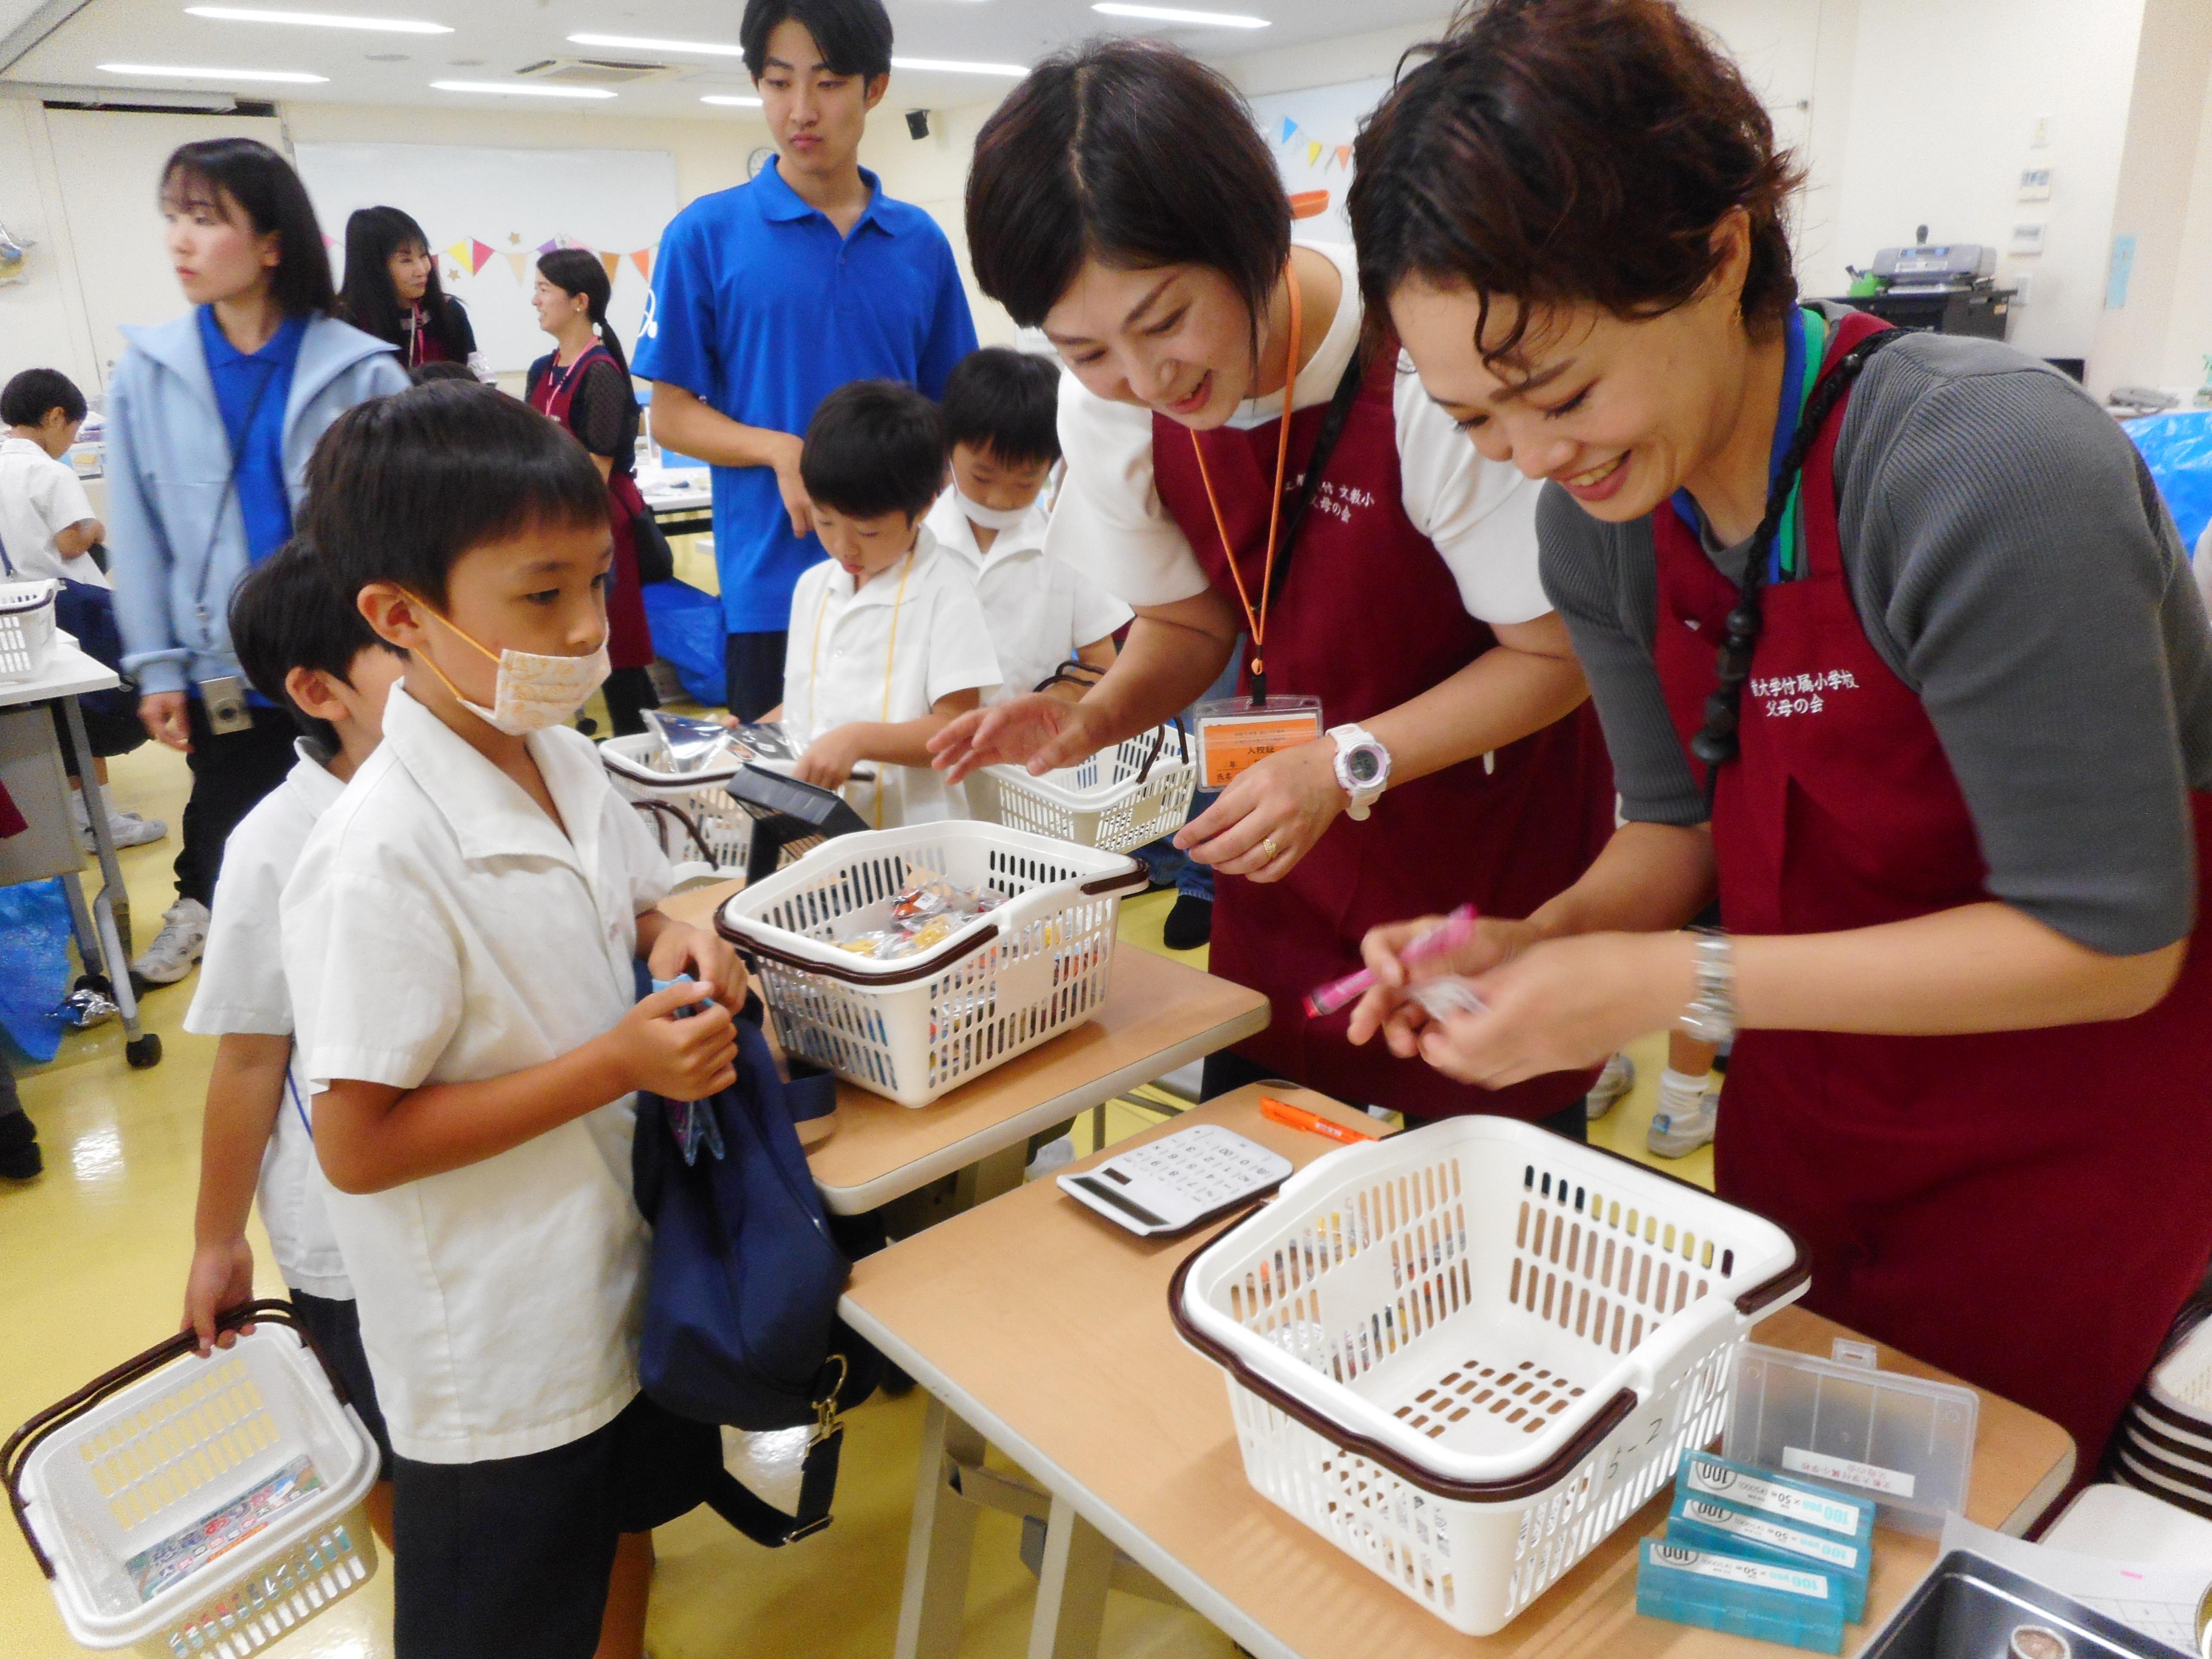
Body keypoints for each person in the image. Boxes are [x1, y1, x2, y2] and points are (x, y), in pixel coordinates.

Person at [1343, 0, 2212, 1473]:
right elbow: (1673, 831)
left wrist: (1670, 976)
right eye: (1477, 422)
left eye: (1556, 393)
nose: (1537, 458)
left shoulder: (1981, 470)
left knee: (2000, 1525)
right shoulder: (1604, 530)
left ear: (1719, 249)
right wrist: (1542, 941)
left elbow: (2112, 942)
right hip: (1807, 1130)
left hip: (2064, 1152)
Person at [933, 39, 1616, 1130]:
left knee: (1472, 1214)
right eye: (1087, 349)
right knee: (1268, 1201)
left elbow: (1559, 656)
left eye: (1166, 320)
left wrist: (1344, 761)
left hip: (1471, 871)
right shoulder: (1108, 408)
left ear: (1250, 237)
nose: (1148, 380)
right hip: (1278, 869)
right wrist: (1091, 715)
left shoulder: (1422, 368)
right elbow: (1190, 626)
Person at [284, 381, 739, 1659]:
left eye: (599, 581)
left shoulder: (565, 753)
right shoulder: (376, 855)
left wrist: (679, 935)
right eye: (542, 597)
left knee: (617, 1541)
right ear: (399, 616)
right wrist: (615, 1061)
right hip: (495, 1352)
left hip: (613, 1273)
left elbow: (639, 909)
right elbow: (358, 1143)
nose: (589, 628)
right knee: (511, 1604)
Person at [107, 138, 407, 986]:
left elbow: (405, 533)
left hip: (356, 672)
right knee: (259, 873)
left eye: (204, 219)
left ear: (272, 242)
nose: (180, 241)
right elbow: (136, 532)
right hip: (223, 674)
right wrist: (157, 668)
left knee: (373, 863)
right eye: (173, 218)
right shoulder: (147, 373)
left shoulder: (361, 371)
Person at [635, 0, 978, 721]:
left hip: (912, 580)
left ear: (873, 87)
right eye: (778, 82)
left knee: (911, 796)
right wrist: (779, 451)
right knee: (789, 811)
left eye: (826, 83)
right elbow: (670, 417)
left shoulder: (919, 243)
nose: (800, 110)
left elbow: (954, 413)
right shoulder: (704, 235)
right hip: (770, 584)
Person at [179, 539, 407, 1547]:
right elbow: (248, 1056)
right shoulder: (277, 843)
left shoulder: (487, 777)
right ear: (321, 691)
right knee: (394, 1455)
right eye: (405, 645)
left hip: (496, 1196)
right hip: (352, 1240)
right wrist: (217, 1242)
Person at [773, 380, 998, 826]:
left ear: (924, 507)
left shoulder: (946, 591)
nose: (844, 548)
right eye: (825, 522)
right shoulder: (812, 587)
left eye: (868, 532)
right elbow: (807, 702)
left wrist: (857, 740)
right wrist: (744, 734)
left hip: (916, 837)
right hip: (820, 832)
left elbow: (955, 728)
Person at [0, 368, 167, 850]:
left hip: (14, 612)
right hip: (67, 605)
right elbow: (72, 543)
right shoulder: (48, 471)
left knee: (51, 718)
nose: (71, 441)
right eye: (73, 429)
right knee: (90, 714)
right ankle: (102, 823)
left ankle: (80, 816)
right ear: (55, 417)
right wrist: (96, 527)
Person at [925, 346, 1130, 707]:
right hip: (927, 750)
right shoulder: (916, 544)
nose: (999, 499)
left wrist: (1054, 699)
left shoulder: (1067, 546)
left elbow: (1101, 666)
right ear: (948, 447)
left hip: (1028, 755)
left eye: (1024, 483)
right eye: (982, 476)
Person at [529, 247, 659, 737]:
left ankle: (639, 755)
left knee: (616, 650)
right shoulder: (545, 367)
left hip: (593, 519)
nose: (535, 300)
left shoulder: (600, 370)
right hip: (553, 518)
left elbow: (595, 470)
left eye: (544, 290)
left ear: (580, 301)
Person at [335, 205, 486, 378]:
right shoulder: (348, 324)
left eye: (423, 255)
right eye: (406, 260)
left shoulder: (450, 312)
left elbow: (471, 385)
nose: (422, 269)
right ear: (373, 267)